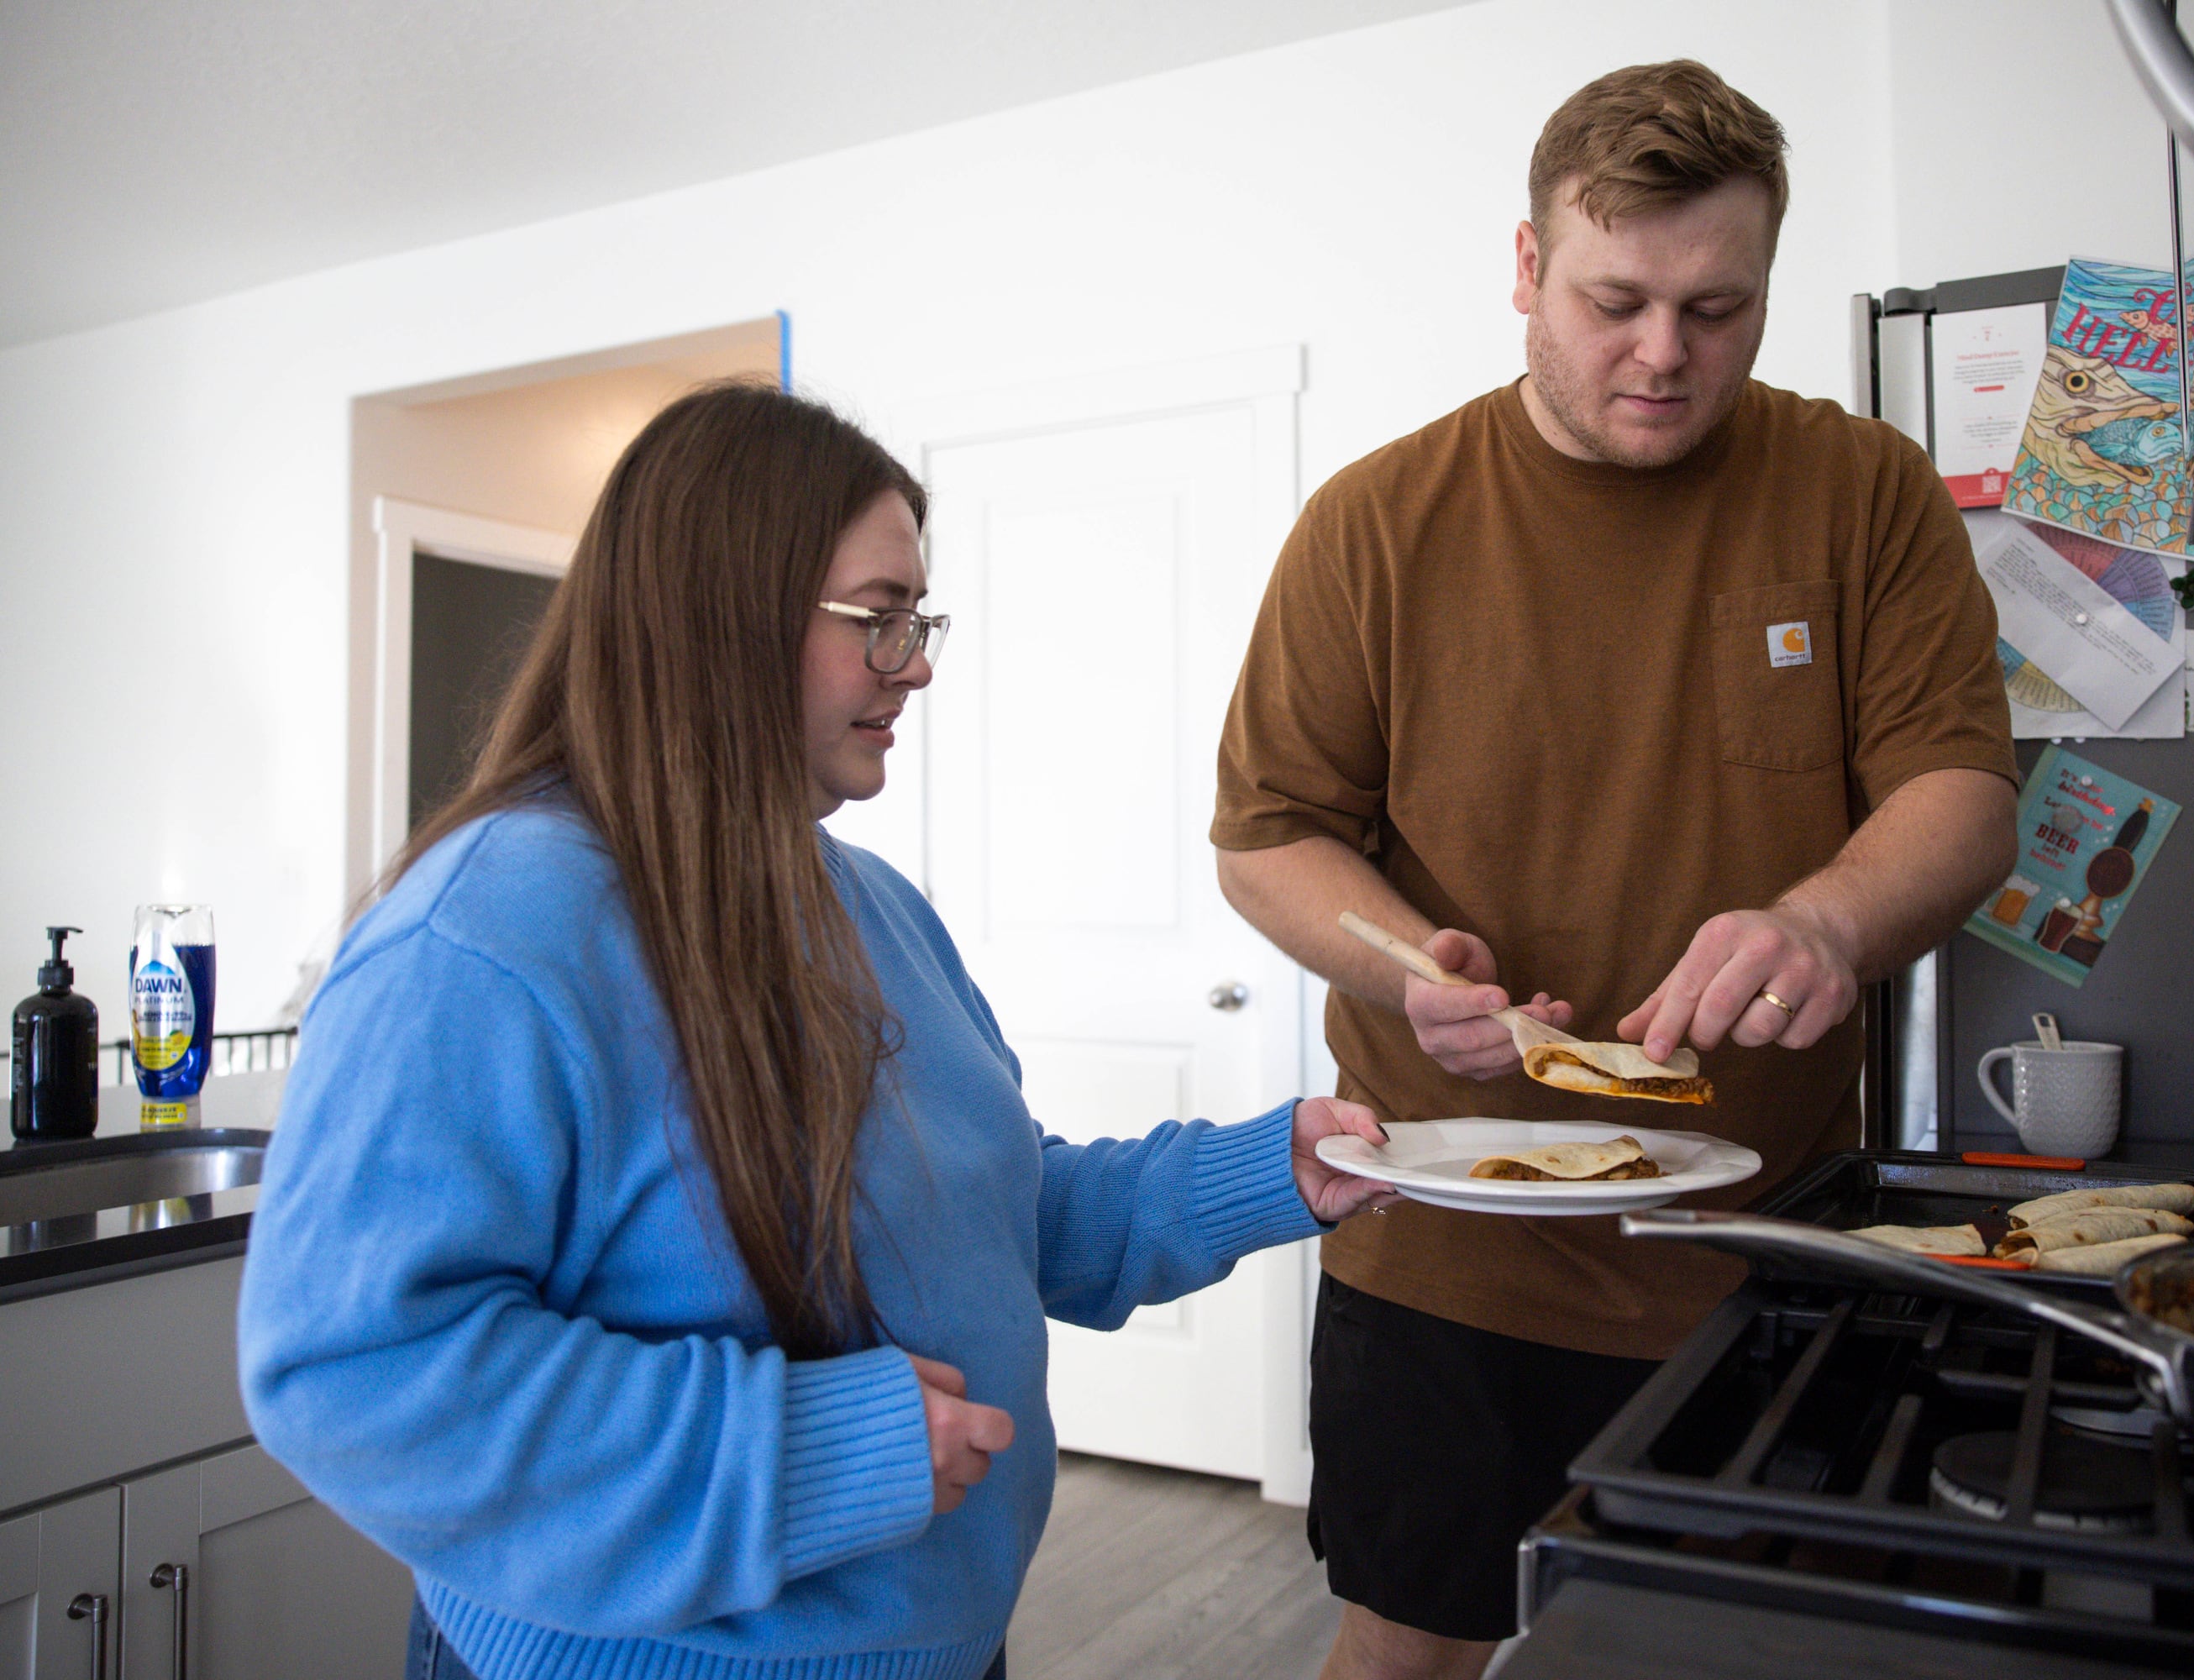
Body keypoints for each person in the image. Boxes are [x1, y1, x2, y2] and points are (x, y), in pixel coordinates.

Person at [238, 381, 1395, 1680]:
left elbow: (995, 1216)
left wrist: (1271, 1168)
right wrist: (812, 1455)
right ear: (720, 614)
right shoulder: (492, 931)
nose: (918, 664)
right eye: (879, 621)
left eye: (919, 618)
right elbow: (357, 1371)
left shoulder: (873, 909)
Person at [1210, 60, 2020, 1680]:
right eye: (1617, 301)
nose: (1665, 355)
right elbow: (1267, 837)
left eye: (1719, 309)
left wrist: (1825, 919)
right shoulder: (1372, 525)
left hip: (1771, 1248)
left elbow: (1963, 791)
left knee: (1731, 1658)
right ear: (1526, 270)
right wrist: (1396, 962)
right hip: (1447, 1244)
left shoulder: (1859, 490)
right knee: (1413, 1653)